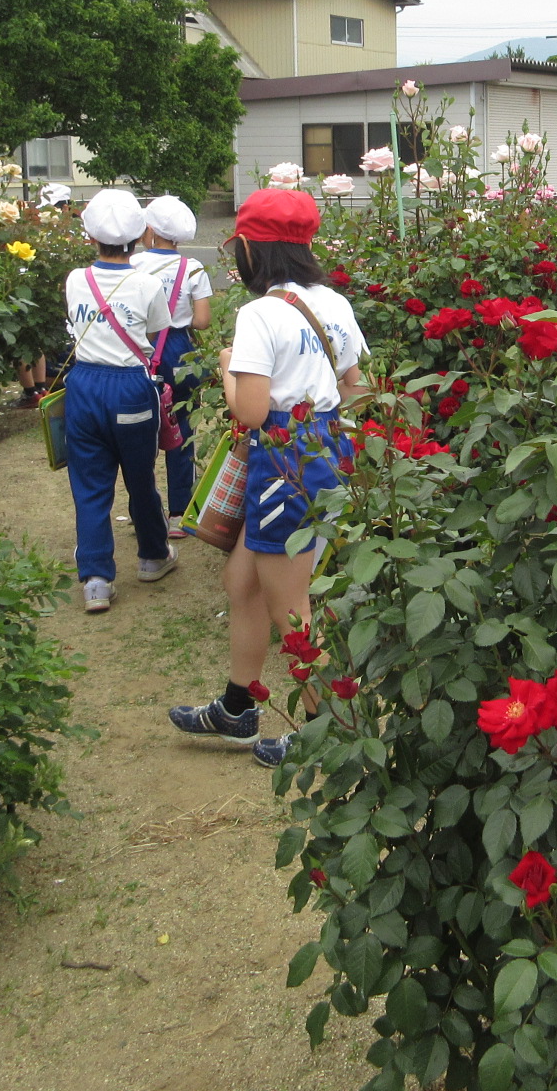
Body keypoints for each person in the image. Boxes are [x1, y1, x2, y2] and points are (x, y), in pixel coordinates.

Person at [168, 189, 366, 769]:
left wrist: (229, 368)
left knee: (291, 609)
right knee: (243, 582)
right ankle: (238, 707)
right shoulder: (333, 302)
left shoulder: (260, 314)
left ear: (252, 249)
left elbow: (251, 412)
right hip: (324, 449)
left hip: (282, 458)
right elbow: (354, 386)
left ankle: (331, 731)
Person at [62, 189, 178, 614]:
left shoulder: (76, 279)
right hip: (130, 387)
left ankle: (96, 580)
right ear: (140, 235)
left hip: (84, 384)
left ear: (90, 235)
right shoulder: (147, 283)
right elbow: (155, 331)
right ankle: (152, 556)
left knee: (90, 483)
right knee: (140, 476)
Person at [131, 195, 214, 539]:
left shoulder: (134, 263)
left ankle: (145, 512)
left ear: (150, 229)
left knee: (141, 432)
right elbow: (203, 320)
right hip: (180, 352)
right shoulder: (192, 267)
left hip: (141, 348)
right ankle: (180, 511)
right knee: (182, 430)